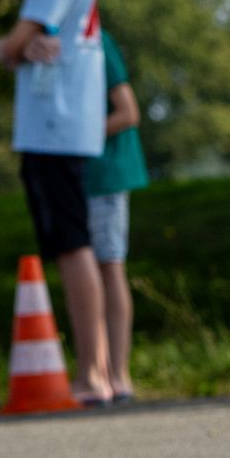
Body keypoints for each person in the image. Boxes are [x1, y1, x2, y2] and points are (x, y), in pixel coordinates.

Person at [0, 0, 112, 405]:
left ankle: (94, 371)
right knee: (68, 244)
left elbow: (16, 43)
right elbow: (34, 40)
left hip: (56, 122)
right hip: (57, 120)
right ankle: (97, 368)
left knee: (72, 244)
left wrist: (3, 48)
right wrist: (21, 46)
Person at [86, 29, 149, 403]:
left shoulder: (99, 44)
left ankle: (118, 373)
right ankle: (97, 369)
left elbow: (128, 112)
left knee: (109, 266)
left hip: (106, 174)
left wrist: (79, 136)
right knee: (88, 269)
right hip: (80, 176)